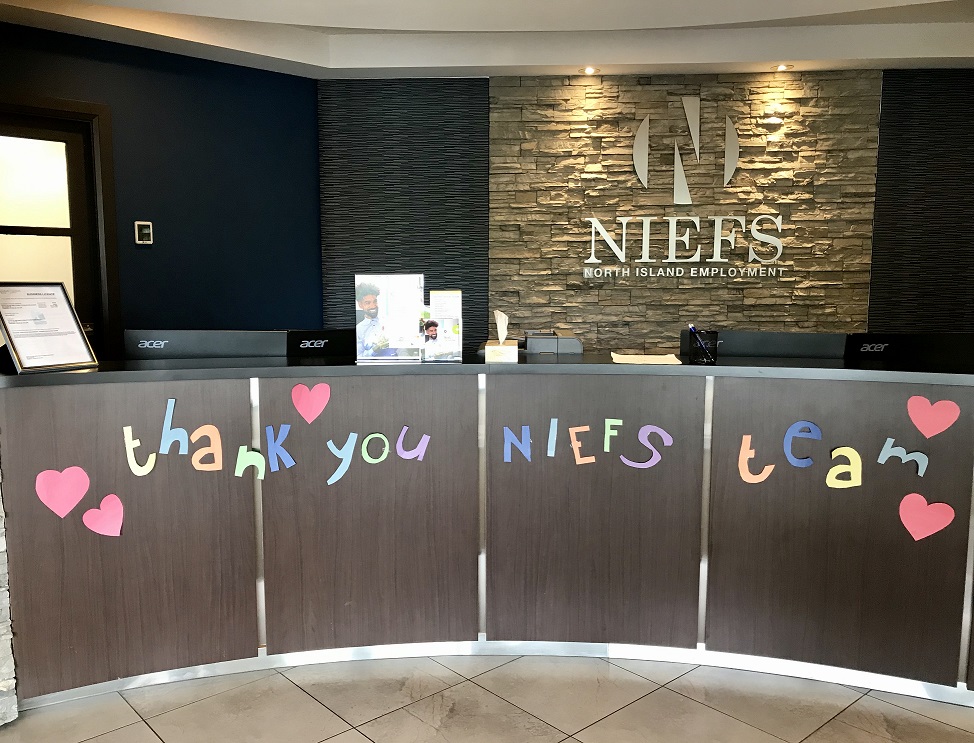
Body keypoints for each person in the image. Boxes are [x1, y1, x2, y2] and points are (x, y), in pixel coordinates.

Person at [356, 282, 390, 357]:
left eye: (375, 301)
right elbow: (358, 357)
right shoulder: (359, 329)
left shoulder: (387, 322)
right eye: (368, 303)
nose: (373, 306)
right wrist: (374, 350)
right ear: (360, 305)